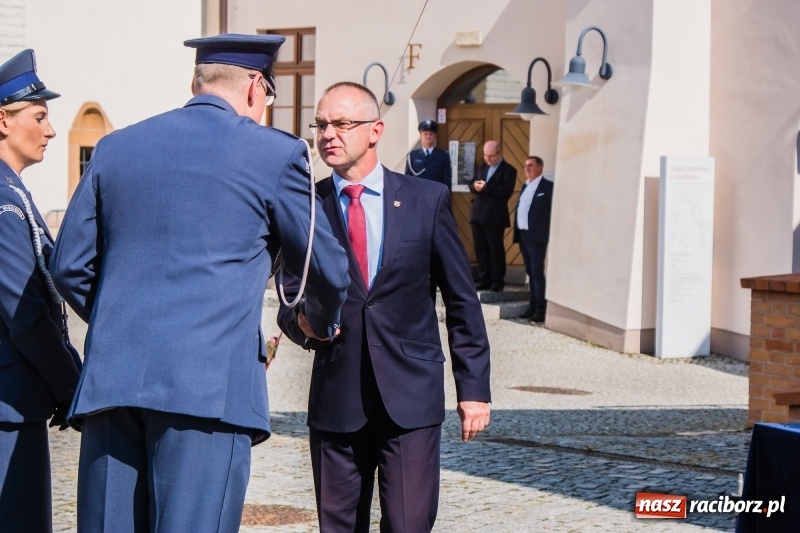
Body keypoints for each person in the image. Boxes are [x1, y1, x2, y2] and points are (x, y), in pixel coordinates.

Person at [50, 34, 349, 532]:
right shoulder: (274, 154)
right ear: (256, 86)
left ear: (198, 81)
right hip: (208, 387)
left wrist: (119, 319)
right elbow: (329, 269)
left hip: (113, 382)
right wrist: (316, 322)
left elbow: (68, 266)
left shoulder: (116, 147)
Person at [277, 82, 491, 532]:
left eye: (341, 124)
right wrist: (302, 326)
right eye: (321, 125)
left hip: (411, 400)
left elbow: (461, 300)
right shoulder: (305, 207)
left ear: (375, 130)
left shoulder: (425, 200)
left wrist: (473, 388)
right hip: (338, 400)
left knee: (408, 524)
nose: (327, 134)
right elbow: (287, 296)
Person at [0, 49, 82, 532]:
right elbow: (25, 313)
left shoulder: (13, 193)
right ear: (3, 121)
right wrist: (73, 387)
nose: (51, 130)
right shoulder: (4, 204)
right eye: (40, 115)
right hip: (8, 407)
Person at [468, 140, 517, 292]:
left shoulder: (509, 170)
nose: (488, 159)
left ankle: (497, 280)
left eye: (491, 156)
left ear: (499, 154)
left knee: (495, 249)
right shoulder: (482, 167)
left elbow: (505, 191)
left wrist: (486, 187)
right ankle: (484, 279)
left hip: (495, 216)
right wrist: (474, 186)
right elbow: (471, 183)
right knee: (481, 248)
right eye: (485, 155)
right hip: (478, 214)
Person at [513, 156, 553, 323]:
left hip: (537, 237)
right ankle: (531, 306)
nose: (527, 169)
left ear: (540, 168)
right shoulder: (525, 186)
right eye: (525, 166)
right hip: (524, 235)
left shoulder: (547, 187)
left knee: (537, 273)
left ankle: (540, 309)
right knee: (530, 272)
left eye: (530, 165)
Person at [405, 119, 452, 190]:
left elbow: (447, 181)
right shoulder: (412, 156)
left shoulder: (443, 156)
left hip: (435, 196)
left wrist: (446, 200)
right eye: (425, 134)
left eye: (431, 134)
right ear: (420, 136)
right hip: (417, 196)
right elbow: (407, 180)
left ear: (435, 136)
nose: (428, 136)